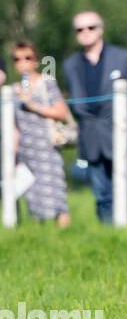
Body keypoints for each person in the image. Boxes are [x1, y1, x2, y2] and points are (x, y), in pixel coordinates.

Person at [64, 11, 127, 223]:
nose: (85, 32)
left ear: (100, 29)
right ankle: (108, 238)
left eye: (90, 27)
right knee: (102, 197)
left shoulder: (124, 58)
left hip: (125, 136)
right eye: (80, 29)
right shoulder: (70, 65)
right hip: (91, 138)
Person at [9, 41, 71, 226]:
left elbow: (61, 112)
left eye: (28, 58)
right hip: (26, 150)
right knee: (34, 196)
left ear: (36, 61)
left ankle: (64, 235)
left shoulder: (46, 83)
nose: (23, 63)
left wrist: (32, 105)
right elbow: (14, 125)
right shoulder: (13, 90)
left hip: (47, 147)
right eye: (17, 59)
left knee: (56, 195)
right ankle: (42, 237)